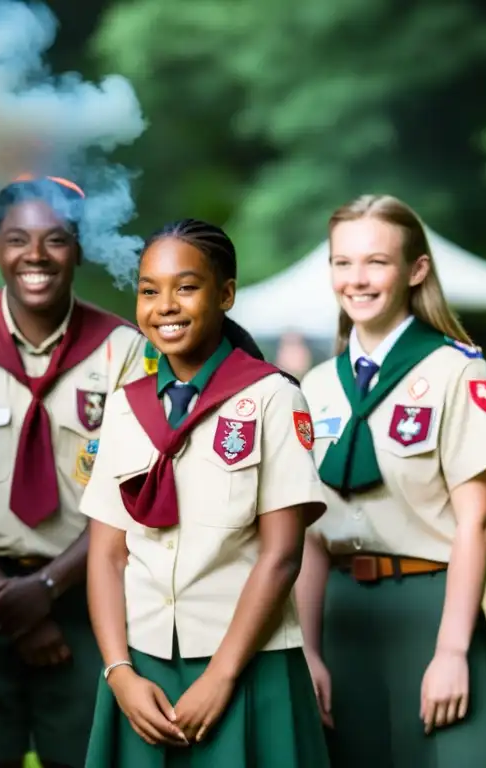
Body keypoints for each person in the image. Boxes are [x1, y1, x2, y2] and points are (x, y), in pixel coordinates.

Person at [0, 174, 148, 768]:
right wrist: (6, 600)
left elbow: (136, 496)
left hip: (89, 598)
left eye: (56, 239)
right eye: (18, 239)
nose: (35, 256)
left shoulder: (125, 351)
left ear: (80, 248)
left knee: (91, 755)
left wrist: (44, 591)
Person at [82, 218, 331, 767]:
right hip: (143, 668)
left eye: (186, 287)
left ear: (225, 294)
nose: (165, 305)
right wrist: (119, 671)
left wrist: (222, 674)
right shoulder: (126, 407)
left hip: (247, 663)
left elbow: (282, 554)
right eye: (150, 291)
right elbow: (107, 553)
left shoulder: (271, 398)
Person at [295, 194, 486, 767]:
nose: (356, 280)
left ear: (416, 271)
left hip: (430, 610)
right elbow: (310, 532)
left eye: (376, 262)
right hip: (341, 619)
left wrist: (452, 650)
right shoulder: (315, 387)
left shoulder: (457, 374)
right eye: (343, 263)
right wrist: (309, 650)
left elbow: (476, 520)